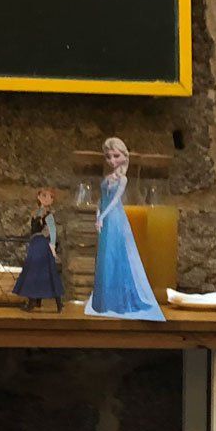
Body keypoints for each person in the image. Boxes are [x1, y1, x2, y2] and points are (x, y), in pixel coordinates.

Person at [85, 136, 164, 321]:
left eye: (116, 156)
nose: (112, 160)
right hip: (104, 219)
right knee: (105, 256)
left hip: (114, 218)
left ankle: (118, 300)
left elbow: (114, 201)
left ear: (124, 156)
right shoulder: (107, 178)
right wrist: (97, 215)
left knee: (116, 254)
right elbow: (101, 200)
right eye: (108, 156)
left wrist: (103, 216)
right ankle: (103, 301)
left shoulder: (123, 179)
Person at [13, 187, 63, 311]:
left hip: (42, 244)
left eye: (50, 197)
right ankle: (38, 301)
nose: (46, 199)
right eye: (44, 196)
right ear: (39, 197)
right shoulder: (36, 213)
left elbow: (53, 231)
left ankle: (34, 301)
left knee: (37, 272)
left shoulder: (49, 215)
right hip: (35, 243)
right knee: (38, 271)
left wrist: (52, 247)